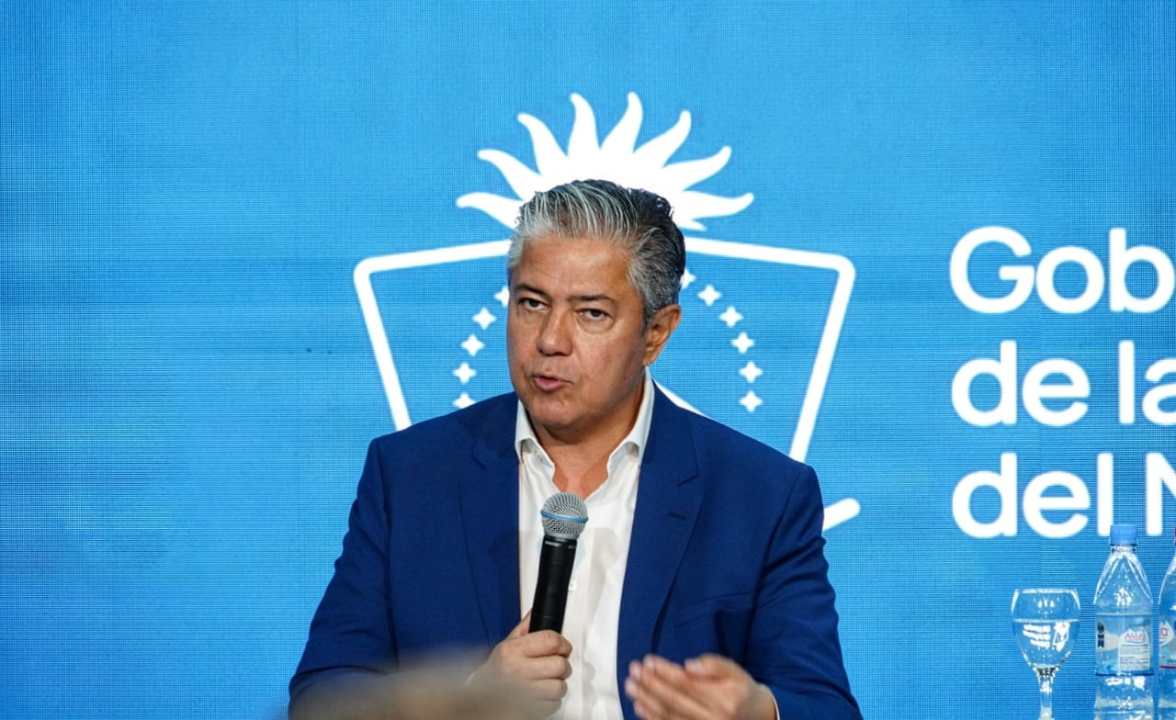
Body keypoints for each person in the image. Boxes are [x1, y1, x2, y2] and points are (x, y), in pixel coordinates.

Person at [290, 179, 861, 720]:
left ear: (656, 333)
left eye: (591, 313)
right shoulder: (411, 475)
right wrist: (468, 704)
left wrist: (756, 712)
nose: (550, 341)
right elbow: (322, 699)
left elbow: (825, 706)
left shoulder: (760, 495)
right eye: (531, 303)